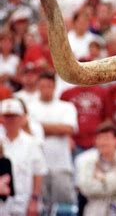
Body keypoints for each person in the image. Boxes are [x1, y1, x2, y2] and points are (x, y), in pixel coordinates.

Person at [27, 72, 78, 213]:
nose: (45, 89)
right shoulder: (29, 107)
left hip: (61, 164)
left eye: (49, 86)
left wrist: (39, 127)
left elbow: (68, 128)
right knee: (40, 208)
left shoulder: (66, 106)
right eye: (42, 86)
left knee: (64, 207)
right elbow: (27, 131)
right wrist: (56, 128)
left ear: (54, 86)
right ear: (38, 87)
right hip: (37, 166)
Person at [76, 123, 116, 216]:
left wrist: (103, 178)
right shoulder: (86, 161)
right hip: (96, 211)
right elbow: (85, 187)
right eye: (100, 138)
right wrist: (115, 179)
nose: (103, 142)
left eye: (107, 138)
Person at [0, 98, 47, 215]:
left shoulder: (32, 143)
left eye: (14, 117)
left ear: (22, 118)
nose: (10, 120)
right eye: (7, 117)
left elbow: (38, 173)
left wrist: (34, 200)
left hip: (24, 201)